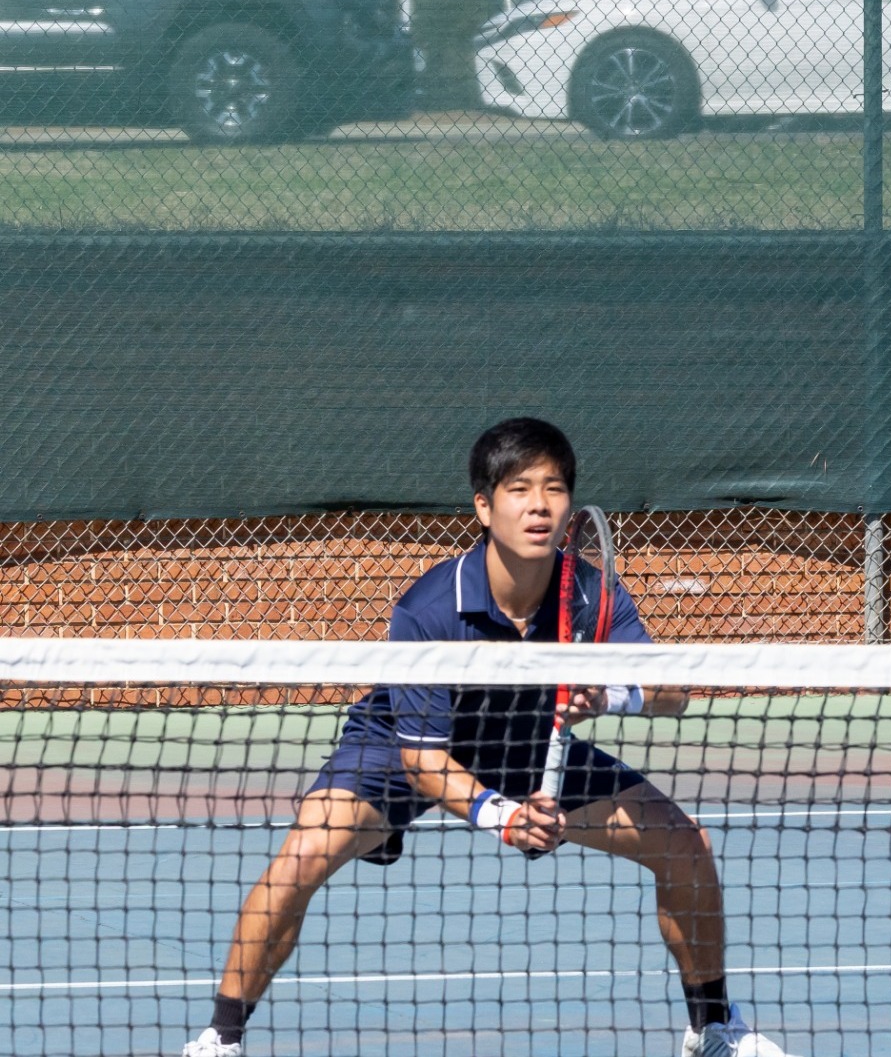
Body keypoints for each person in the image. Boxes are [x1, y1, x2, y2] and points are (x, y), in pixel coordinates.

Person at [182, 418, 794, 1057]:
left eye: (554, 489)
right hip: (399, 746)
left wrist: (608, 695)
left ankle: (713, 1026)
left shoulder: (590, 591)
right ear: (483, 505)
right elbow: (423, 759)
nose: (538, 505)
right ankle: (221, 1039)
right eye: (519, 489)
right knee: (304, 854)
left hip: (525, 740)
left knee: (684, 843)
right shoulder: (430, 608)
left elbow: (672, 691)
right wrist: (502, 816)